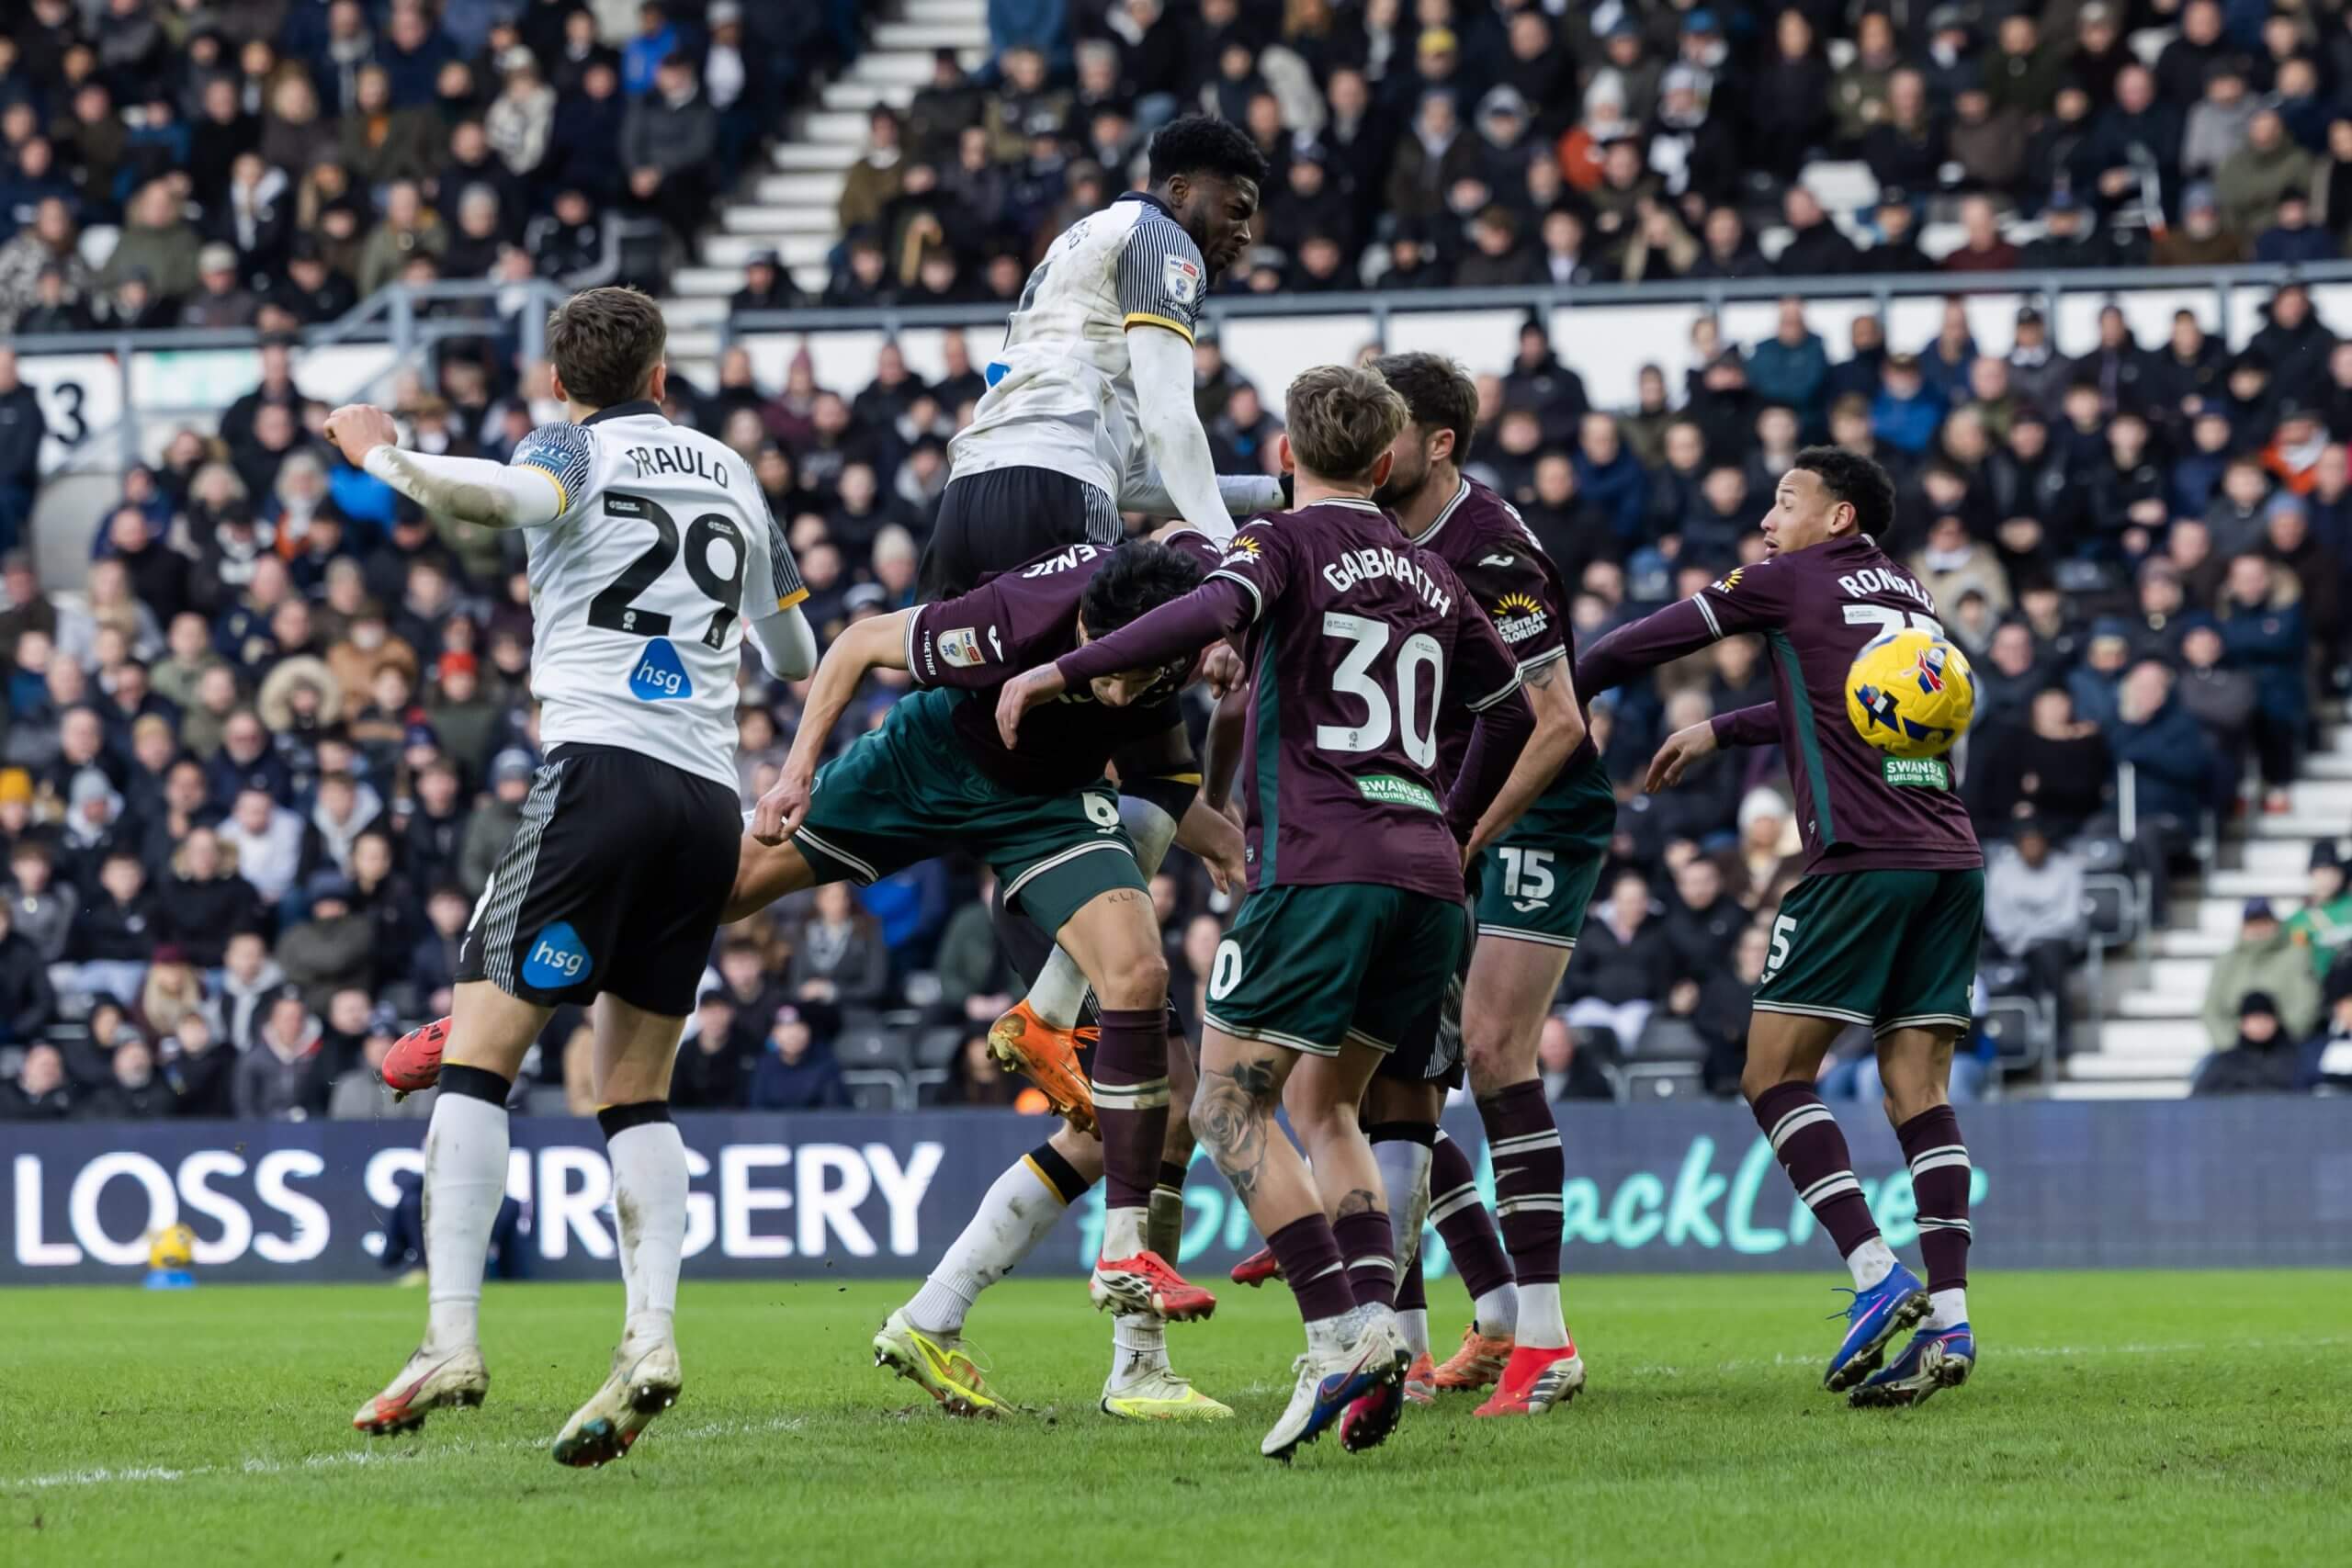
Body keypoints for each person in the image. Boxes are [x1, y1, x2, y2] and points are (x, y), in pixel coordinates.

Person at [1002, 364, 1535, 1459]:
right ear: (1387, 464)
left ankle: (1340, 1335)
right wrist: (1444, 813)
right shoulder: (1434, 576)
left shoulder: (1283, 545)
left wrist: (1057, 675)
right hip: (1426, 878)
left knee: (1228, 1110)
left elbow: (1203, 610)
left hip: (1323, 867)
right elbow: (1514, 711)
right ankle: (1381, 1326)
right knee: (1326, 1106)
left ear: (1287, 459)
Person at [328, 287, 818, 1464]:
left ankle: (449, 1335)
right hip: (706, 801)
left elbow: (500, 499)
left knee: (479, 1059)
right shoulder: (732, 470)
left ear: (559, 381)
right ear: (661, 374)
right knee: (630, 1087)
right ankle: (648, 1336)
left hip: (597, 772)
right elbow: (793, 649)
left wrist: (380, 452)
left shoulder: (567, 445)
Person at [729, 537, 1238, 1420]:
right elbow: (853, 645)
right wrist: (796, 770)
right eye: (1107, 671)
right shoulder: (1013, 622)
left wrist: (1229, 840)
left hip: (1049, 819)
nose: (1117, 690)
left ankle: (984, 1324)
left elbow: (1161, 775)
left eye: (1138, 678)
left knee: (1150, 1033)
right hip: (925, 766)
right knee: (732, 889)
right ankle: (517, 982)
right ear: (1086, 626)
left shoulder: (1180, 632)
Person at [1577, 446, 1984, 1408]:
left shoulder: (1787, 579)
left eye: (1785, 500)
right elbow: (1839, 699)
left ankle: (1874, 1270)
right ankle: (1954, 1320)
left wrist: (1561, 685)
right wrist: (1722, 727)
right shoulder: (1910, 596)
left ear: (1836, 517)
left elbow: (1652, 637)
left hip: (1861, 859)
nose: (1767, 519)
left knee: (1770, 1074)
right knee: (1917, 1090)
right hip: (1949, 856)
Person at [926, 115, 1280, 1145]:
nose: (1243, 235)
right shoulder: (1161, 244)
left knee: (1035, 780)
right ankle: (1051, 1003)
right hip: (1051, 504)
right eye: (1237, 208)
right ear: (1182, 188)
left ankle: (1051, 1000)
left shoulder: (1076, 250)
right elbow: (1169, 427)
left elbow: (1134, 463)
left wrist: (1273, 496)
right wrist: (1236, 570)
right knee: (1159, 772)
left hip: (977, 497)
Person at [1981, 816, 2086, 1052]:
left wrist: (2030, 933)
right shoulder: (2002, 871)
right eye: (2027, 842)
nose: (2032, 848)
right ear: (2018, 845)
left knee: (2049, 956)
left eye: (2036, 842)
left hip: (2057, 945)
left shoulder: (2067, 868)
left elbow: (2069, 919)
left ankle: (2058, 1036)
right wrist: (2027, 936)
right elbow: (1996, 918)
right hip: (2011, 943)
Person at [2200, 898, 2321, 1051]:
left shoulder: (2296, 957)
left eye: (2264, 923)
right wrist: (2232, 1045)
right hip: (2235, 1046)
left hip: (2284, 1046)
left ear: (2275, 924)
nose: (2258, 929)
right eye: (2252, 924)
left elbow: (2306, 1004)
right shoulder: (2226, 961)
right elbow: (2211, 1009)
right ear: (2243, 927)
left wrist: (2279, 1039)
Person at [2192, 991, 2301, 1095]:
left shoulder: (2294, 1061)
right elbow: (2199, 1102)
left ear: (2276, 1022)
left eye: (2266, 1018)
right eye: (2254, 1018)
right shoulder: (2225, 1063)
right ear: (2242, 1023)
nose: (2260, 1025)